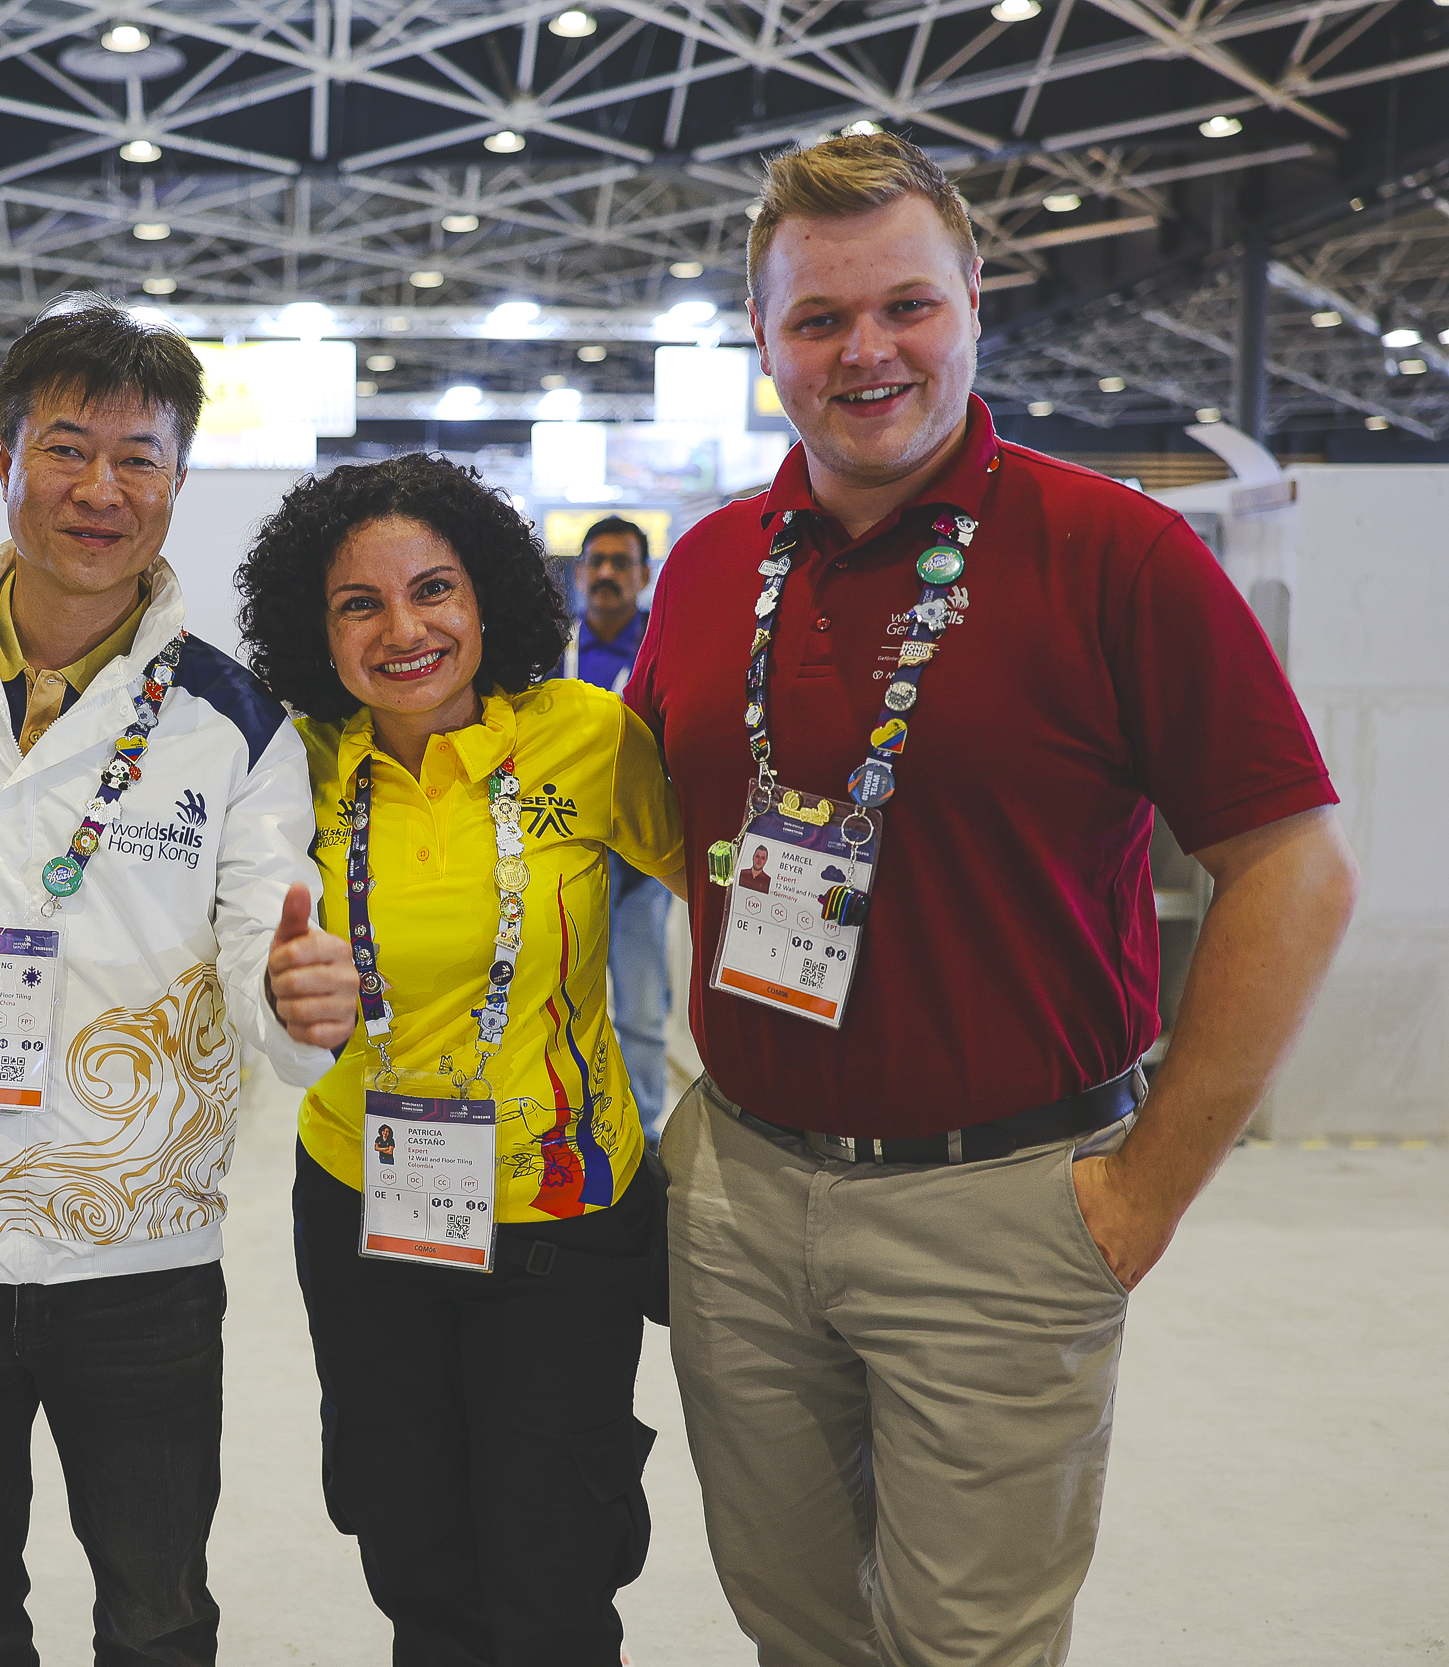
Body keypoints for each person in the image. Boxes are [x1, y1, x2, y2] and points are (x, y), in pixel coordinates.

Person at [624, 131, 1357, 1666]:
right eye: (817, 319)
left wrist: (1148, 1184)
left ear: (973, 303)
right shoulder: (705, 570)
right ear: (762, 342)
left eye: (906, 304)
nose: (866, 350)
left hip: (1004, 1204)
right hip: (744, 1194)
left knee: (969, 1643)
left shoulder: (1119, 553)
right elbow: (615, 834)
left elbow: (1293, 865)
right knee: (796, 1627)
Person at [0, 294, 338, 1666]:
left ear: (179, 483)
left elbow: (261, 934)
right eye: (67, 447)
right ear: (3, 454)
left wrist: (292, 996)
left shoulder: (234, 722)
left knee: (160, 1613)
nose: (100, 488)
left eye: (140, 457)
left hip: (138, 1252)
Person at [238, 453, 688, 1664]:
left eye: (433, 588)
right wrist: (275, 997)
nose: (404, 629)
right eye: (358, 603)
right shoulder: (289, 769)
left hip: (560, 1217)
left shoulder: (587, 738)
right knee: (411, 1551)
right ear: (314, 629)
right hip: (363, 1211)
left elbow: (727, 892)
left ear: (488, 596)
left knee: (552, 1574)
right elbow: (227, 964)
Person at [562, 515, 676, 1143]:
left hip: (647, 862)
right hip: (567, 852)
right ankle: (570, 1129)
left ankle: (645, 1139)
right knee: (559, 996)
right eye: (596, 562)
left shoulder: (666, 651)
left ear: (643, 576)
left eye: (620, 564)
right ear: (580, 573)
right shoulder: (553, 656)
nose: (606, 575)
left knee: (638, 1001)